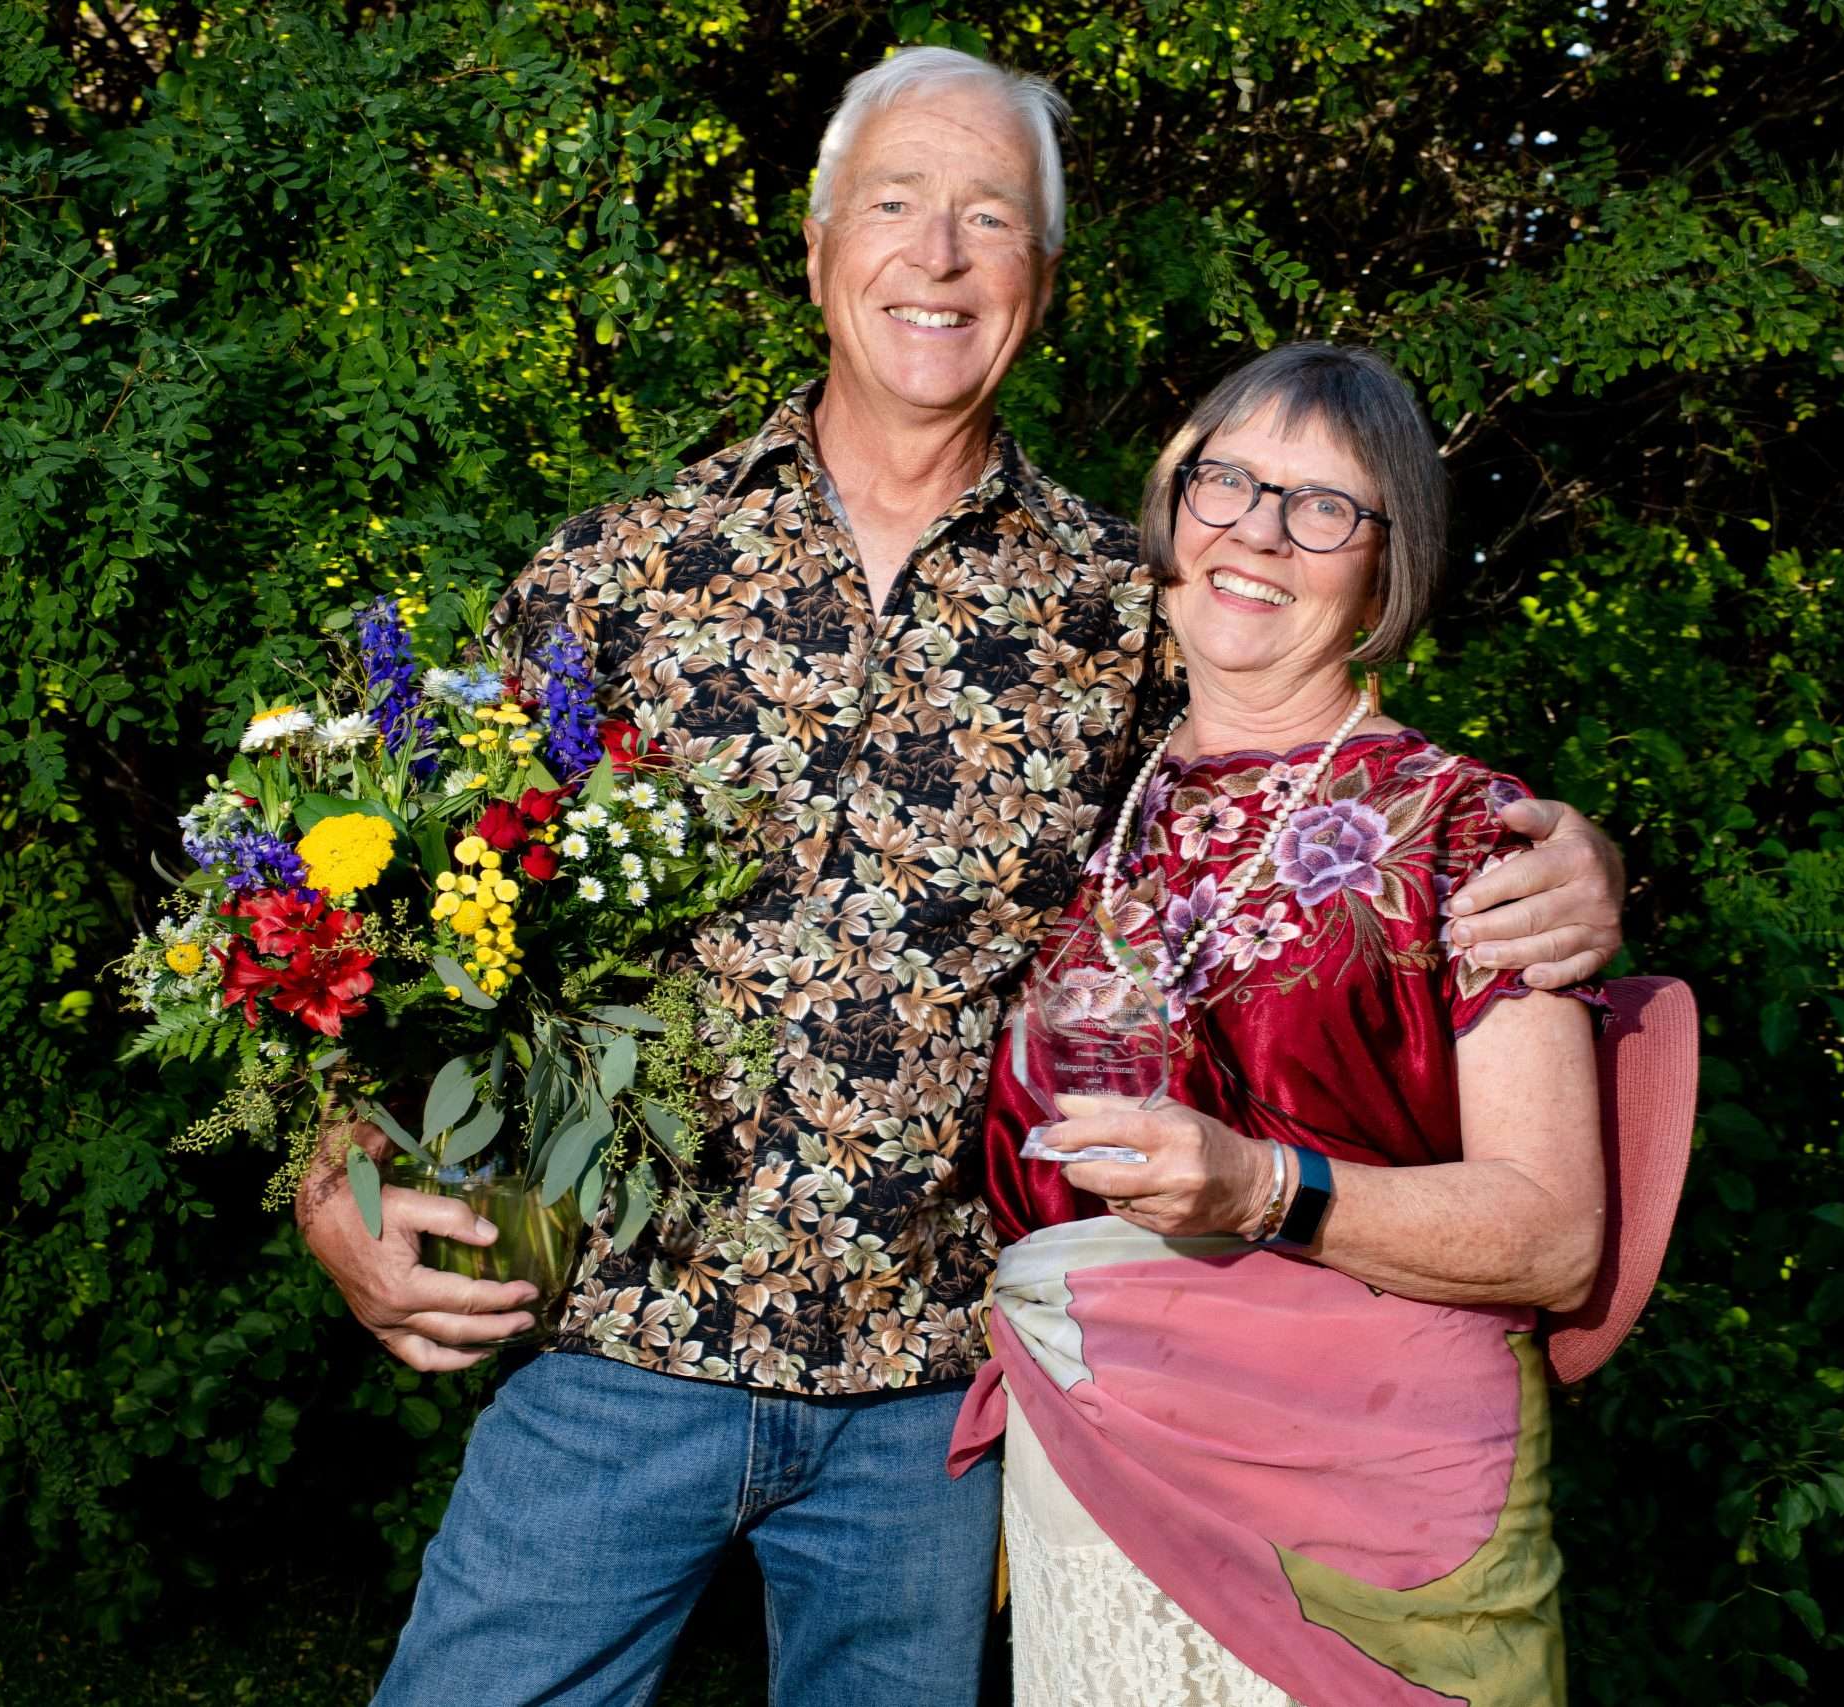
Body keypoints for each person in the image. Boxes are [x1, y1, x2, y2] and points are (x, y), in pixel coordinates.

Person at [296, 49, 1626, 1707]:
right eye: (898, 205)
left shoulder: (1128, 608)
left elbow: (1305, 782)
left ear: (1041, 284)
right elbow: (410, 923)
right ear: (818, 244)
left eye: (988, 217)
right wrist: (334, 1170)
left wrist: (1570, 860)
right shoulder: (615, 574)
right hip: (617, 1349)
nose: (937, 256)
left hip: (943, 1407)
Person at [952, 341, 1604, 1706]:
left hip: (1379, 1510)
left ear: (1387, 566)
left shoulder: (1467, 828)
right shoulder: (1077, 792)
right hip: (1098, 1480)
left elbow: (1552, 1234)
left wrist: (1261, 1188)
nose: (1257, 532)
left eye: (1322, 507)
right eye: (1227, 481)